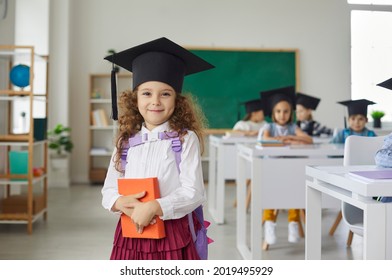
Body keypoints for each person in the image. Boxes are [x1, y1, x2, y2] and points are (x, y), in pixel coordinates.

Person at [101, 37, 214, 260]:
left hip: (172, 233)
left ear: (177, 100)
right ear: (135, 98)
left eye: (165, 93)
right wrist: (118, 201)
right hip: (130, 231)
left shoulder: (184, 139)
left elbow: (194, 192)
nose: (156, 101)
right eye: (147, 93)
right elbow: (108, 189)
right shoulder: (125, 141)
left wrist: (154, 207)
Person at [259, 86, 313, 245]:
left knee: (294, 194)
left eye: (286, 111)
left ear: (291, 113)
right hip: (272, 171)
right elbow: (265, 140)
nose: (282, 115)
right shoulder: (269, 127)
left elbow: (309, 140)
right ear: (273, 113)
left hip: (290, 170)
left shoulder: (292, 127)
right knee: (271, 196)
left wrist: (291, 136)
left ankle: (293, 223)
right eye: (278, 111)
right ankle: (269, 224)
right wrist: (287, 140)